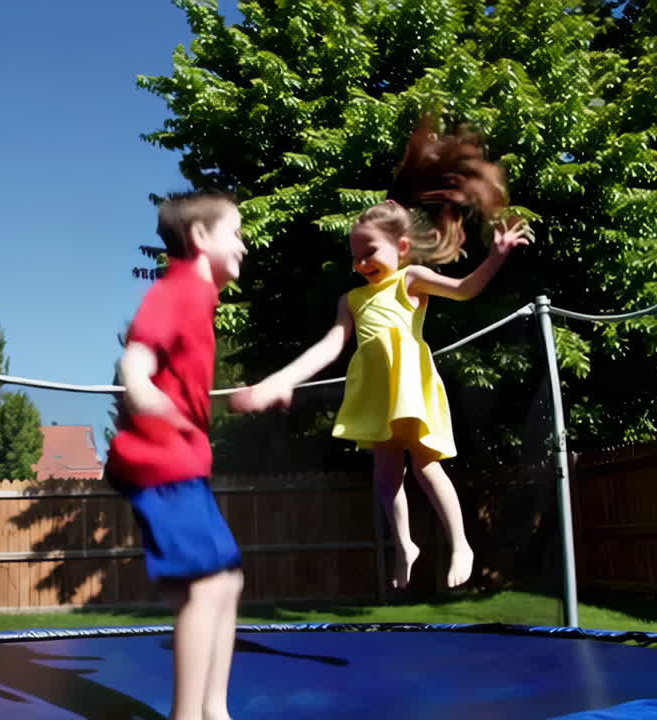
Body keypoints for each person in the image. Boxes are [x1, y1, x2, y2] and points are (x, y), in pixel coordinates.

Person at [231, 118, 530, 589]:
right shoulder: (349, 300)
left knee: (424, 463)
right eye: (355, 256)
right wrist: (280, 380)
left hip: (408, 381)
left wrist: (496, 256)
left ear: (402, 247)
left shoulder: (410, 281)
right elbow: (329, 346)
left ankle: (460, 542)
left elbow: (466, 290)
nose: (362, 263)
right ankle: (404, 544)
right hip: (374, 387)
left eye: (369, 252)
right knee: (384, 474)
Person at [106, 190, 247, 720]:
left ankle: (216, 709)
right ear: (200, 238)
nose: (244, 246)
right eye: (235, 233)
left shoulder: (200, 298)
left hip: (182, 461)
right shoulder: (180, 289)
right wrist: (149, 399)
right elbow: (134, 364)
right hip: (159, 459)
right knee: (206, 587)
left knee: (227, 579)